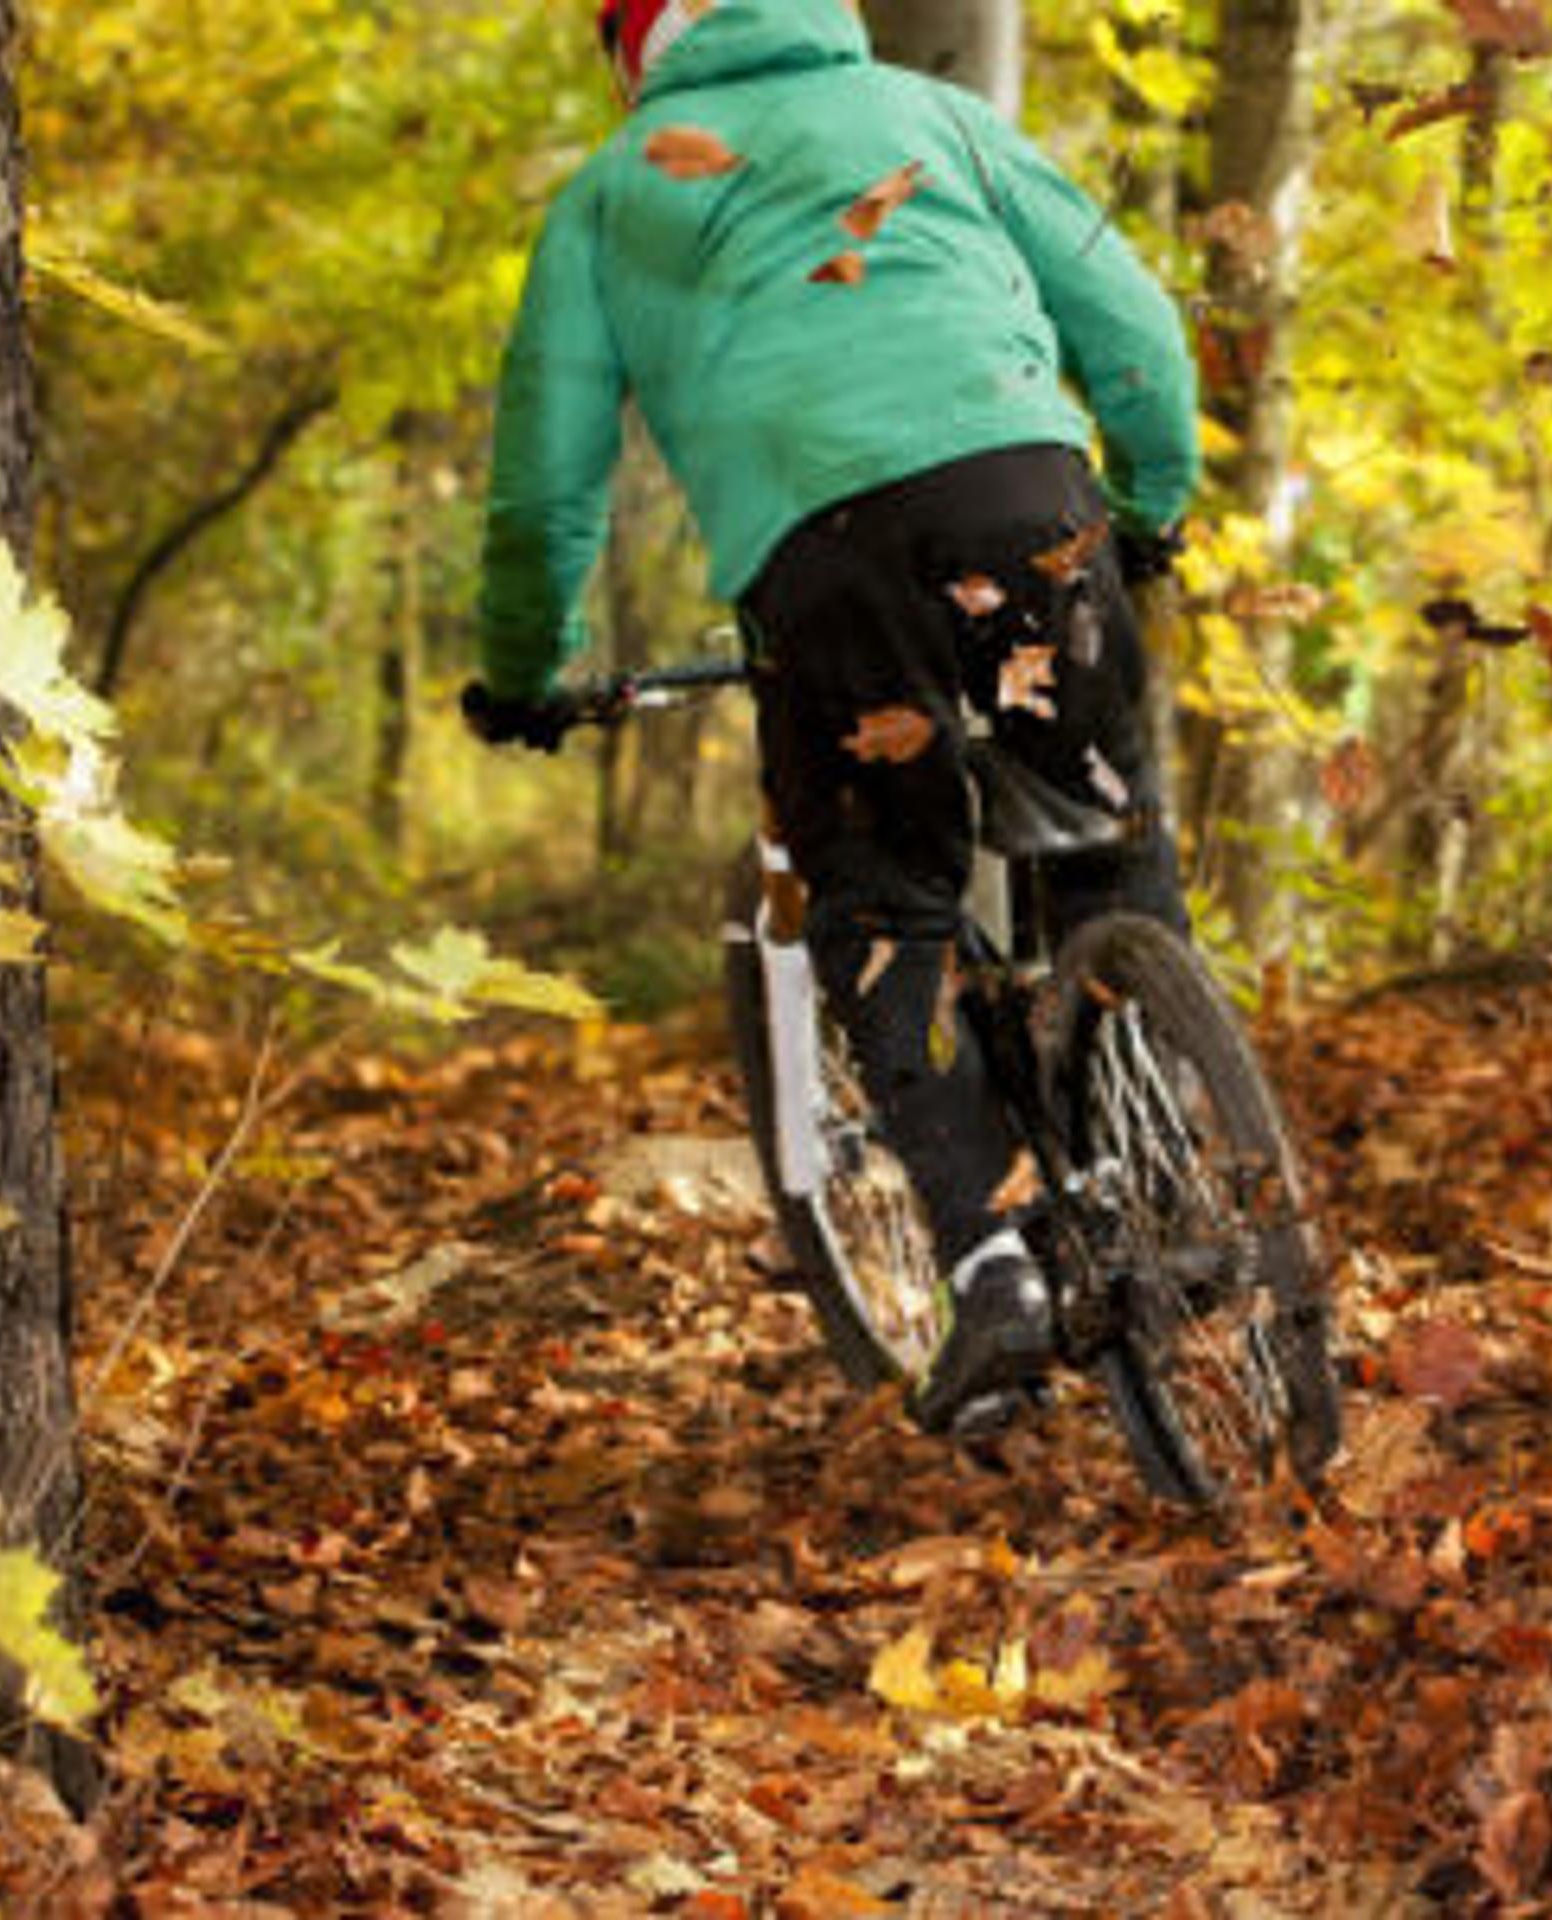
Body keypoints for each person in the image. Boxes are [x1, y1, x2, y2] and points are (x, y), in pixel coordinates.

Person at [459, 0, 1200, 1434]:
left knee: (877, 901)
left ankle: (992, 1265)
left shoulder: (616, 194)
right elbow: (1133, 326)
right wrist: (1152, 504)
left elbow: (546, 483)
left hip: (826, 566)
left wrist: (526, 668)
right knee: (1107, 840)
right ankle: (1168, 1175)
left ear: (635, 49)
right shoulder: (935, 120)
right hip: (1030, 507)